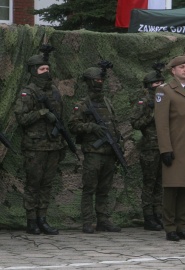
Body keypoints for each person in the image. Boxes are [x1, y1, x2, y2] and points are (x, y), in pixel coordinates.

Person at [14, 51, 66, 235]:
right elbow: (22, 119)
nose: (46, 72)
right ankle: (31, 221)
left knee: (47, 185)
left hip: (53, 145)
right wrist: (42, 113)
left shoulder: (54, 92)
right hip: (35, 147)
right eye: (42, 69)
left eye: (48, 68)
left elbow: (61, 117)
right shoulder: (28, 93)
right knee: (33, 184)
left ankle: (42, 219)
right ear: (34, 71)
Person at [68, 63, 122, 234]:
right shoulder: (83, 104)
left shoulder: (107, 102)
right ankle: (87, 221)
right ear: (90, 82)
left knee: (104, 189)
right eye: (97, 80)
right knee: (89, 188)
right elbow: (73, 125)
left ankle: (103, 220)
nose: (100, 83)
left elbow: (113, 124)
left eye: (101, 80)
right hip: (93, 152)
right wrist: (91, 127)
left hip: (108, 152)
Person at [154, 55, 185, 241]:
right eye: (181, 67)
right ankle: (170, 227)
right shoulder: (164, 90)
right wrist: (165, 148)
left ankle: (182, 226)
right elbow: (161, 122)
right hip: (175, 147)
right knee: (172, 189)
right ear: (173, 71)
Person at [130, 67, 165, 231]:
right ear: (149, 85)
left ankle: (158, 213)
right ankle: (148, 216)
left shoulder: (165, 99)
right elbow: (136, 123)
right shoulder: (143, 101)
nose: (159, 85)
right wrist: (151, 113)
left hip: (165, 146)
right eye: (156, 83)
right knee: (150, 183)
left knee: (160, 183)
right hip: (150, 147)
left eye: (161, 82)